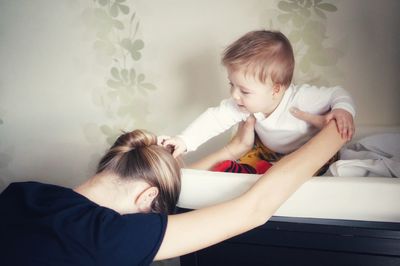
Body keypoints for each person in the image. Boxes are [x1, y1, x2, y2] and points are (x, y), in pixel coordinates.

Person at [0, 119, 345, 266]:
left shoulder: (25, 193)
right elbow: (253, 210)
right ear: (147, 200)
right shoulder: (109, 237)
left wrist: (231, 151)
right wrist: (336, 134)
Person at [160, 30, 355, 174]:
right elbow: (214, 119)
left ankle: (273, 172)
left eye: (244, 90)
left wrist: (342, 110)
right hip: (267, 151)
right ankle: (257, 170)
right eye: (232, 85)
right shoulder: (243, 105)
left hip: (305, 150)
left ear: (276, 89)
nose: (235, 95)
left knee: (312, 170)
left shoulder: (302, 98)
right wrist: (184, 140)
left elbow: (337, 93)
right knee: (235, 168)